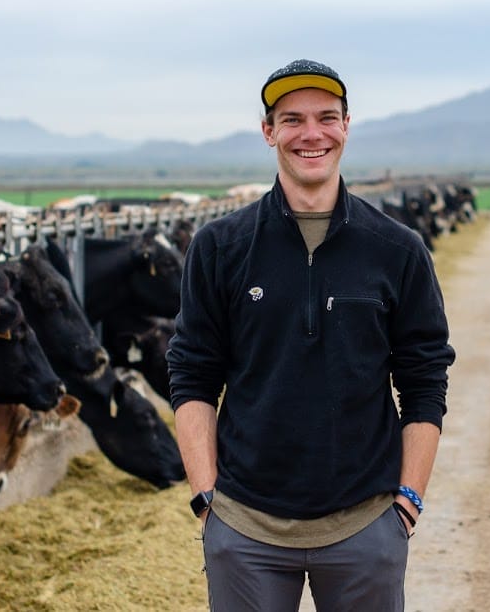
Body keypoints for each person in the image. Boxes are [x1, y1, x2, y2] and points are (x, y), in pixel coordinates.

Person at [167, 59, 455, 611]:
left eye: (326, 117)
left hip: (366, 525)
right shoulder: (220, 248)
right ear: (269, 131)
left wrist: (407, 503)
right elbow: (193, 375)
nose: (311, 134)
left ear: (346, 125)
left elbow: (424, 380)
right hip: (246, 530)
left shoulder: (396, 250)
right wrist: (208, 501)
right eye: (292, 119)